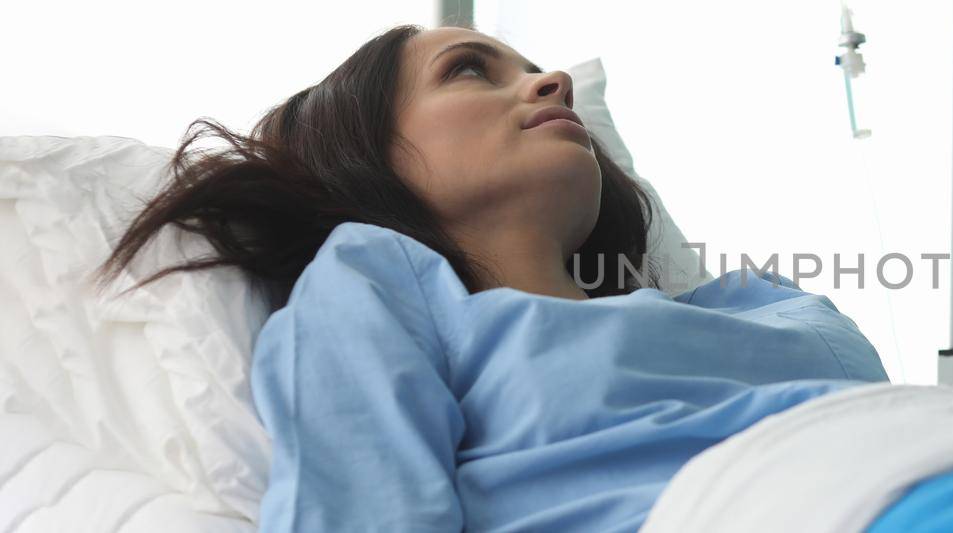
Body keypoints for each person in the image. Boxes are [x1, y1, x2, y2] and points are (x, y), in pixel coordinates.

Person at [95, 24, 890, 532]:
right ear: (365, 151)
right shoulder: (378, 286)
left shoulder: (759, 303)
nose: (552, 85)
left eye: (539, 70)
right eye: (471, 70)